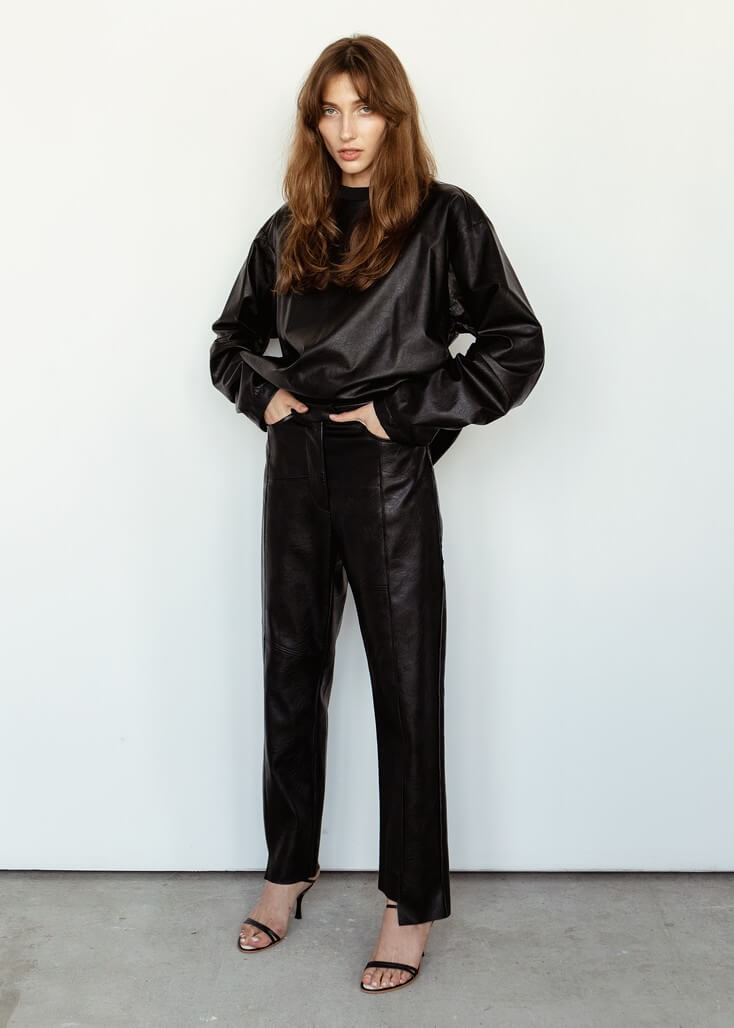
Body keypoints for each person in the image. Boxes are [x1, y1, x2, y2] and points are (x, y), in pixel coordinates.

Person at [209, 34, 545, 994]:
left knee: (405, 686)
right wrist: (266, 398)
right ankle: (288, 870)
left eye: (364, 108)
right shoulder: (293, 225)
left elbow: (515, 343)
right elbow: (229, 341)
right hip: (296, 467)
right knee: (290, 672)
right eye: (329, 110)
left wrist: (400, 415)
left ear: (395, 116)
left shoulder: (444, 220)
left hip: (387, 473)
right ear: (313, 123)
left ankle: (410, 903)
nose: (346, 129)